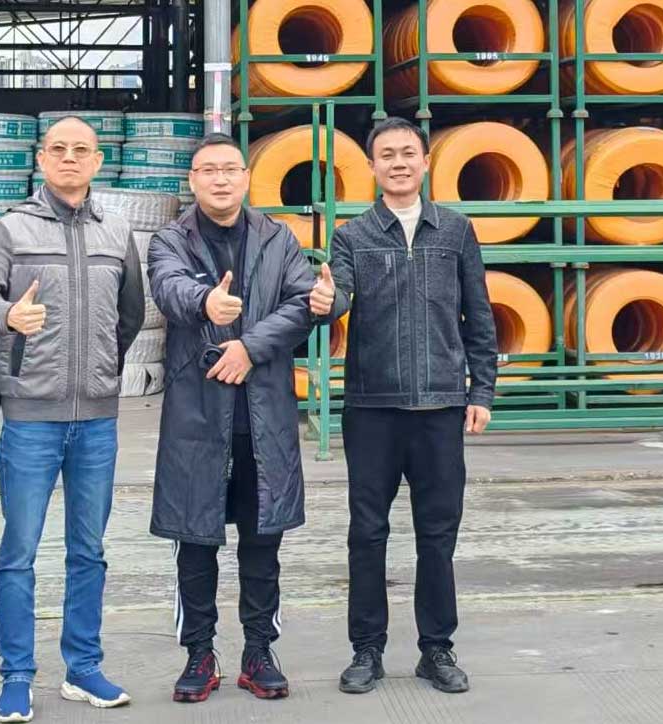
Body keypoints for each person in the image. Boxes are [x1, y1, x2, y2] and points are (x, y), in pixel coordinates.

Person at [147, 132, 345, 704]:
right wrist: (205, 301)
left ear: (246, 177)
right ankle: (199, 653)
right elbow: (168, 287)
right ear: (193, 180)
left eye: (230, 169)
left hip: (262, 417)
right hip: (197, 416)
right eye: (208, 170)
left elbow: (308, 301)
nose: (220, 178)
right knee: (195, 542)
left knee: (262, 544)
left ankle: (259, 651)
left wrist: (250, 347)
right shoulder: (171, 239)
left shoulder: (276, 238)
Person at [0, 116, 144, 723]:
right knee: (19, 551)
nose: (70, 158)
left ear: (97, 161)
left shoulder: (117, 230)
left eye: (81, 149)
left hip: (96, 421)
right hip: (30, 420)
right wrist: (9, 319)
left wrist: (101, 369)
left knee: (88, 550)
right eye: (59, 149)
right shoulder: (10, 228)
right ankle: (16, 675)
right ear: (42, 159)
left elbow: (130, 316)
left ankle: (83, 667)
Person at [323, 117, 498, 696]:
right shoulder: (351, 235)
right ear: (371, 167)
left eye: (407, 153)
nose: (397, 163)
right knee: (367, 533)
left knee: (437, 534)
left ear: (425, 162)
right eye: (386, 155)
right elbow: (338, 295)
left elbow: (479, 315)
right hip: (372, 408)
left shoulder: (456, 230)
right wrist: (325, 299)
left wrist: (481, 391)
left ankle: (436, 649)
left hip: (441, 406)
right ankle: (366, 650)